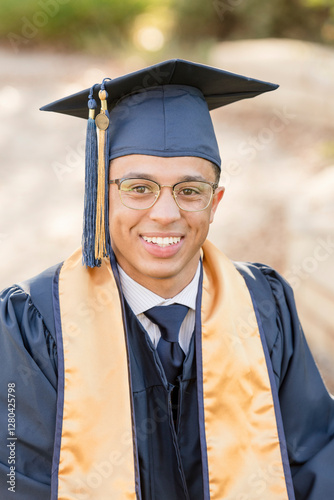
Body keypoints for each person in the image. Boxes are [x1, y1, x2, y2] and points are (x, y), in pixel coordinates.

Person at [0, 59, 333, 500]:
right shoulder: (35, 324)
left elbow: (314, 458)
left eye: (190, 191)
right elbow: (16, 479)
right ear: (101, 194)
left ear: (215, 204)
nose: (165, 213)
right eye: (139, 188)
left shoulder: (265, 306)